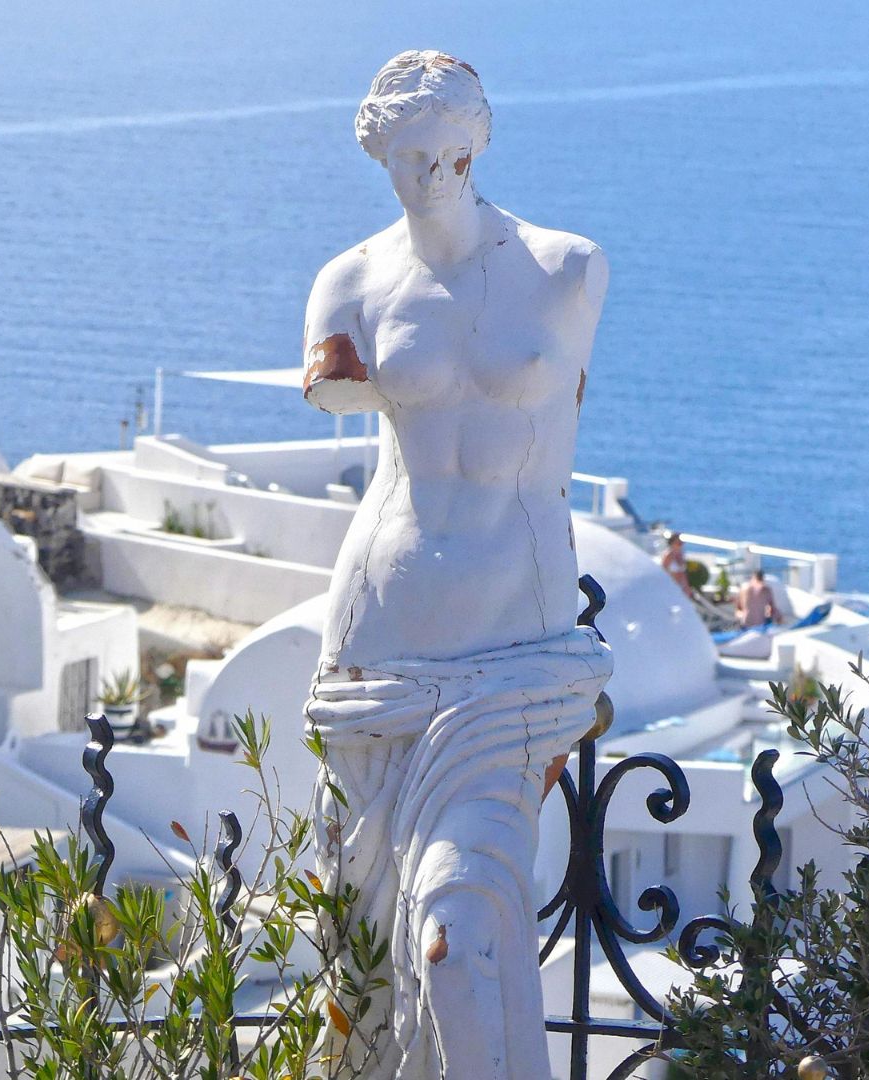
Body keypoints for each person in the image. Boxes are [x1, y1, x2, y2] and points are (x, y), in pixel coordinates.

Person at [302, 51, 612, 1079]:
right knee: (361, 961)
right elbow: (328, 388)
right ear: (379, 156)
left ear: (480, 143)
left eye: (452, 153)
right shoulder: (347, 284)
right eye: (410, 158)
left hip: (510, 647)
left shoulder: (567, 267)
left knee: (456, 933)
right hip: (377, 643)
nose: (434, 175)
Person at [659, 532, 692, 596]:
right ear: (673, 542)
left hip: (681, 587)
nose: (681, 544)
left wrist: (687, 587)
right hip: (670, 587)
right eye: (679, 542)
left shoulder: (681, 554)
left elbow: (683, 573)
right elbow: (663, 571)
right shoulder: (669, 555)